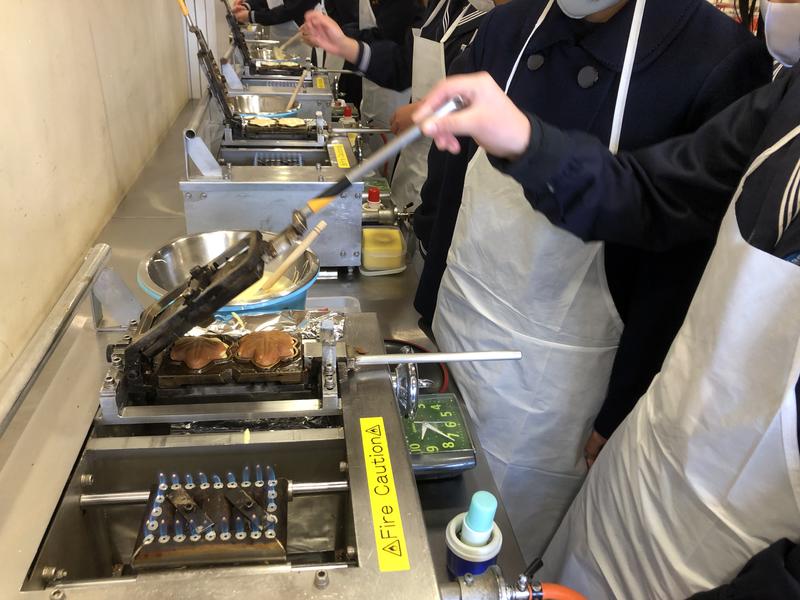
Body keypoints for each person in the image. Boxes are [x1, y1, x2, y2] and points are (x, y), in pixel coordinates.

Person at [412, 0, 800, 594]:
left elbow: (676, 269)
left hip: (728, 529)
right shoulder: (788, 103)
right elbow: (650, 195)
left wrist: (620, 403)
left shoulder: (714, 59)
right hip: (647, 463)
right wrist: (523, 141)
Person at [303, 0, 493, 210]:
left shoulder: (499, 24)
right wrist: (344, 45)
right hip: (414, 154)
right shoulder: (442, 8)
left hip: (455, 173)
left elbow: (494, 106)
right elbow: (402, 66)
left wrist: (429, 112)